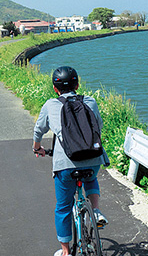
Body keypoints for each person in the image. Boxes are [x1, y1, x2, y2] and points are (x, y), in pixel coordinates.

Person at [33, 66, 109, 256]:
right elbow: (97, 127)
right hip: (93, 159)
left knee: (63, 208)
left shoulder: (50, 105)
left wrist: (37, 148)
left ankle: (66, 251)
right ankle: (96, 211)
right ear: (77, 84)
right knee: (91, 176)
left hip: (65, 165)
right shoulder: (90, 101)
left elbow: (38, 131)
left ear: (54, 88)